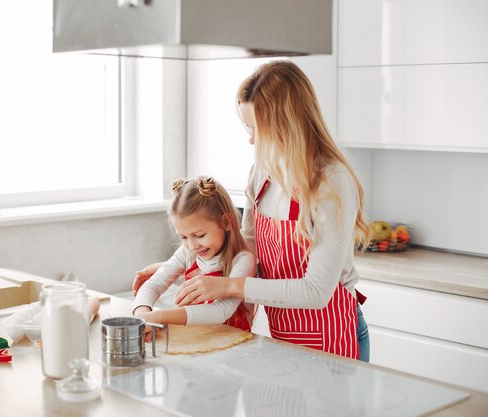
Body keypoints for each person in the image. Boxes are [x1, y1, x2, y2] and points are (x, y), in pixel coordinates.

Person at [134, 60, 371, 361]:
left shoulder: (330, 183)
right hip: (283, 335)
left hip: (333, 337)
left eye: (258, 128)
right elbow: (249, 248)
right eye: (248, 127)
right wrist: (186, 265)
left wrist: (228, 284)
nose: (251, 139)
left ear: (287, 126)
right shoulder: (263, 173)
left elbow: (316, 292)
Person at [133, 176, 257, 339]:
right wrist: (143, 314)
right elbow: (153, 285)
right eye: (183, 237)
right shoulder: (188, 253)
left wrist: (160, 316)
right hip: (193, 337)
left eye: (199, 235)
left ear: (225, 221)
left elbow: (221, 311)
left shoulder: (243, 261)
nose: (192, 246)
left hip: (232, 344)